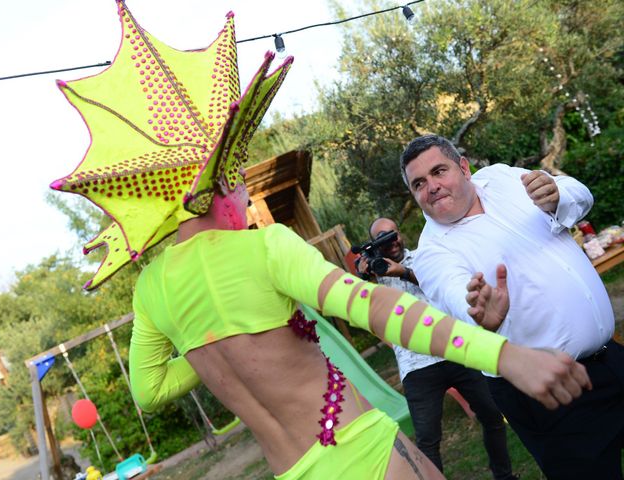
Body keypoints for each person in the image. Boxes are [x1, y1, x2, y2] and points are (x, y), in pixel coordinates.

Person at [51, 6, 592, 479]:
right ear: (218, 186)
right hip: (361, 449)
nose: (242, 194)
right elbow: (377, 307)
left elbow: (148, 391)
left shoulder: (150, 290)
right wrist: (507, 355)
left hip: (295, 471)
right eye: (238, 180)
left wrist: (209, 340)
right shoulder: (262, 247)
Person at [401, 134, 623, 479]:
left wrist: (558, 194)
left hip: (612, 358)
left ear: (464, 167)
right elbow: (454, 293)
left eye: (438, 171)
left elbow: (578, 193)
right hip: (553, 394)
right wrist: (477, 311)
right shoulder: (430, 252)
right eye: (419, 183)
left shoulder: (503, 179)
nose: (431, 186)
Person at [358, 217, 516, 479]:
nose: (393, 241)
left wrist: (403, 272)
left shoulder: (423, 258)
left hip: (455, 350)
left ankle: (504, 476)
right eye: (384, 239)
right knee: (428, 441)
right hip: (416, 366)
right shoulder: (373, 278)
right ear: (375, 246)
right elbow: (365, 313)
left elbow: (442, 286)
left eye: (394, 234)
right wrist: (364, 279)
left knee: (492, 415)